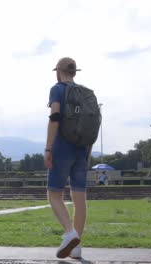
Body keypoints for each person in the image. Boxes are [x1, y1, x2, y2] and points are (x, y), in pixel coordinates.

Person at [44, 57, 90, 260]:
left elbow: (55, 118)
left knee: (54, 194)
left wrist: (48, 148)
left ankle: (69, 233)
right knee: (79, 197)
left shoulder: (57, 89)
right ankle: (77, 247)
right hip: (82, 148)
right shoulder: (85, 93)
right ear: (75, 72)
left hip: (62, 147)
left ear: (58, 71)